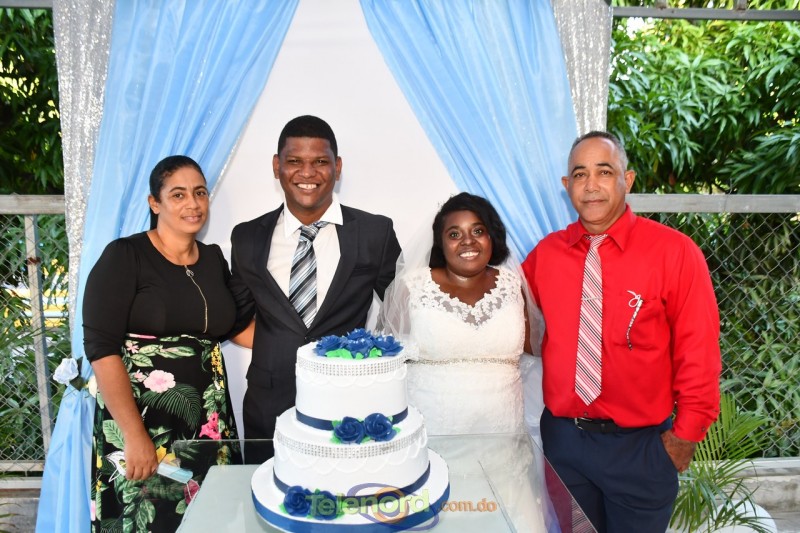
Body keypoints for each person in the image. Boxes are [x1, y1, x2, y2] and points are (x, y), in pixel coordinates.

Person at [522, 131, 721, 533]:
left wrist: (685, 435)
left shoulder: (674, 252)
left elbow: (697, 350)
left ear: (626, 180)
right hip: (565, 445)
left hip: (641, 451)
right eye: (580, 174)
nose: (591, 185)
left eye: (604, 171)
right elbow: (515, 320)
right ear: (567, 185)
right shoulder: (546, 255)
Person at [228, 115, 401, 462]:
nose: (307, 173)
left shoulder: (374, 232)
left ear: (338, 167)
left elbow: (402, 314)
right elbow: (236, 317)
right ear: (277, 166)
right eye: (294, 161)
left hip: (349, 405)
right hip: (268, 404)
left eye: (320, 162)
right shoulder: (247, 237)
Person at [83, 155, 241, 532]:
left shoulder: (214, 259)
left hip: (208, 422)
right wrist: (134, 435)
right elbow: (102, 350)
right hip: (145, 423)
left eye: (200, 193)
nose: (193, 203)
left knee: (211, 520)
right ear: (155, 203)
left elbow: (234, 328)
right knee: (147, 520)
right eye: (178, 195)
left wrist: (306, 347)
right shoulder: (125, 255)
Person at [379, 192, 535, 435]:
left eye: (478, 231)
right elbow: (386, 366)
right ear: (440, 243)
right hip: (432, 433)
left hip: (505, 433)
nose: (467, 241)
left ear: (492, 236)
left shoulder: (513, 285)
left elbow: (537, 349)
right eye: (454, 234)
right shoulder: (412, 287)